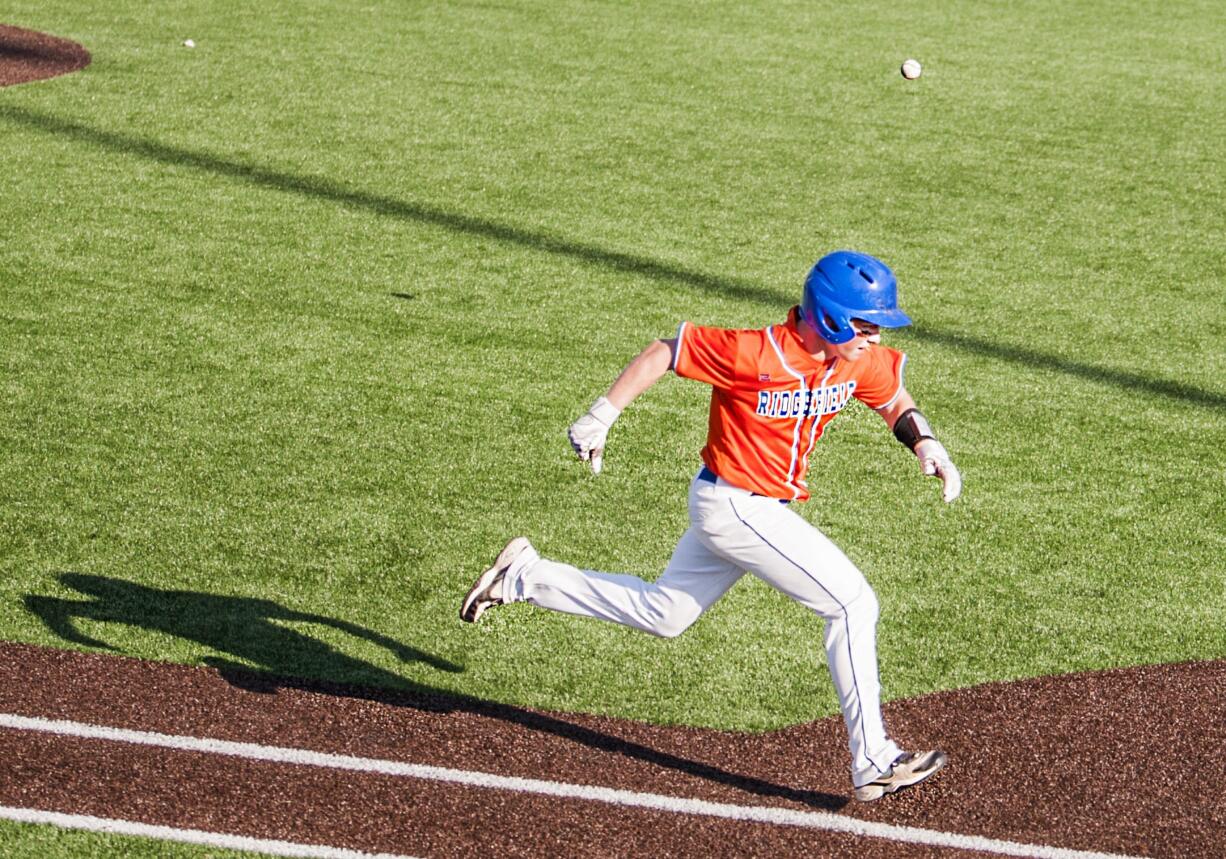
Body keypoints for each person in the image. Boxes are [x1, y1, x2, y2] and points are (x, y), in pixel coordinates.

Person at [461, 250, 961, 802]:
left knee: (666, 614)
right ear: (830, 317)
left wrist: (926, 442)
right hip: (734, 506)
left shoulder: (855, 359)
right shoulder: (755, 351)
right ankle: (874, 760)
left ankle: (523, 577)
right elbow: (664, 353)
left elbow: (892, 398)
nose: (873, 337)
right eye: (867, 325)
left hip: (749, 506)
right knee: (851, 603)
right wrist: (602, 415)